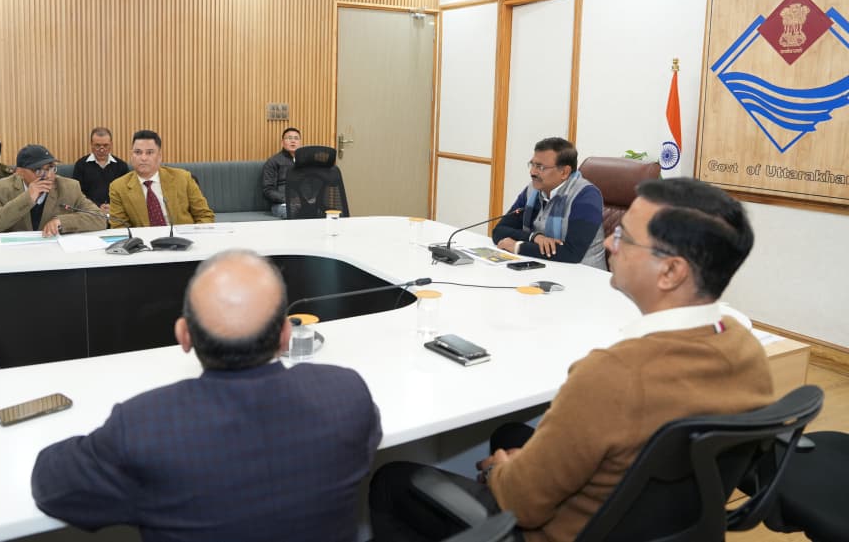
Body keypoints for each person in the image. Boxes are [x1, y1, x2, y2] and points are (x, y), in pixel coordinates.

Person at [370, 178, 774, 542]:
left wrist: (500, 470)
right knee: (511, 433)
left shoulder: (612, 375)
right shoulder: (745, 348)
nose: (609, 244)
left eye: (624, 237)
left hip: (560, 530)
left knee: (392, 480)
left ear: (670, 271)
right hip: (660, 520)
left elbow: (521, 503)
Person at [31, 249, 382, 542]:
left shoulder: (144, 428)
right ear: (286, 334)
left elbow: (51, 485)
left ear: (184, 336)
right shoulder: (346, 395)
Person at [492, 137, 606, 270]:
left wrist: (518, 246)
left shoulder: (586, 196)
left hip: (584, 274)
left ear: (564, 172)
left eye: (540, 167)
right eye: (532, 164)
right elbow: (499, 231)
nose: (532, 172)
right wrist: (534, 237)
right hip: (543, 267)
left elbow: (572, 253)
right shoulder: (533, 190)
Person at [0, 144, 106, 236]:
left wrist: (61, 222)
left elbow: (100, 218)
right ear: (20, 172)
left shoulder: (69, 187)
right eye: (39, 170)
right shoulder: (1, 188)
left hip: (54, 254)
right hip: (16, 255)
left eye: (51, 168)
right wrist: (27, 198)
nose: (48, 175)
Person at [108, 129, 215, 227]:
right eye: (138, 152)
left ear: (159, 156)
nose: (143, 158)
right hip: (144, 240)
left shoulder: (183, 178)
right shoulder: (118, 187)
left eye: (149, 152)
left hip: (182, 238)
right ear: (132, 156)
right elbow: (119, 226)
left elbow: (204, 215)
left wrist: (195, 236)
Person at [71, 126, 130, 213]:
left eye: (105, 145)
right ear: (91, 144)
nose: (102, 150)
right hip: (89, 212)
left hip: (116, 212)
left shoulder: (121, 166)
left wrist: (113, 207)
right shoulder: (81, 165)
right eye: (97, 145)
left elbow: (126, 194)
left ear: (111, 144)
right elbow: (77, 194)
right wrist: (96, 207)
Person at [262, 126, 302, 218]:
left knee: (325, 212)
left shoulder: (305, 162)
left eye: (296, 138)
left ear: (300, 142)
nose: (293, 141)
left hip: (304, 202)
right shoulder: (273, 161)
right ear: (282, 142)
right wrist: (288, 199)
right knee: (295, 213)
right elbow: (268, 189)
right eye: (289, 138)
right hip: (282, 204)